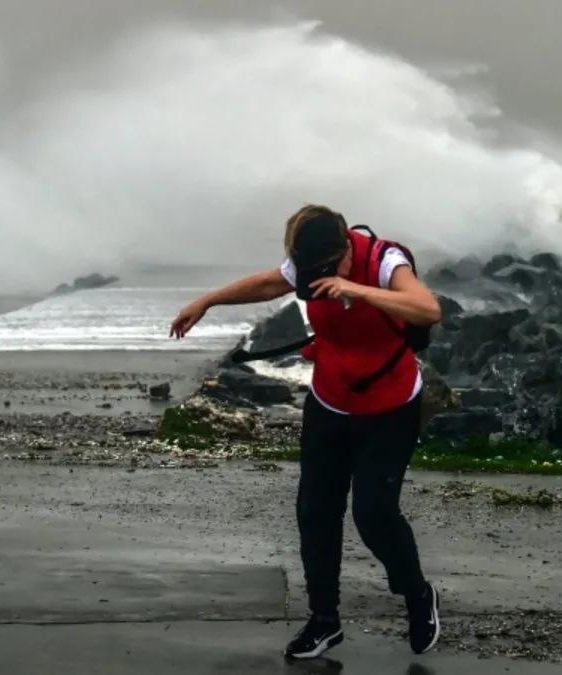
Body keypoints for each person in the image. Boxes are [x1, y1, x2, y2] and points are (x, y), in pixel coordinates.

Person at [169, 204, 443, 660]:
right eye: (307, 271)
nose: (315, 279)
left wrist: (359, 289)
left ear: (344, 251)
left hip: (389, 408)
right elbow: (267, 283)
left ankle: (417, 595)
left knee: (374, 515)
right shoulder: (312, 260)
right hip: (331, 403)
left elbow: (427, 308)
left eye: (324, 270)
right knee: (316, 513)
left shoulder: (383, 260)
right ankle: (324, 621)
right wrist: (208, 300)